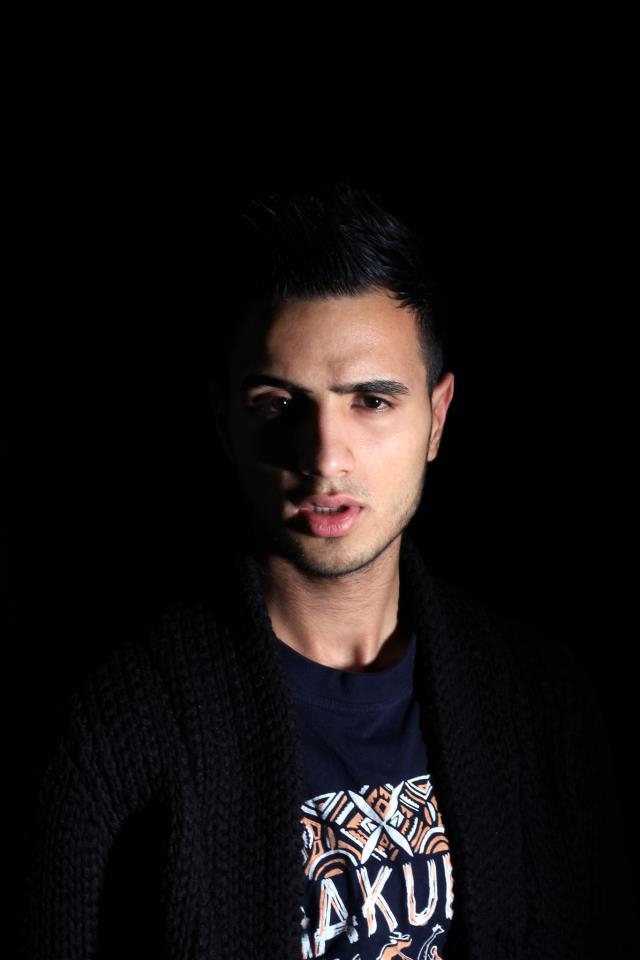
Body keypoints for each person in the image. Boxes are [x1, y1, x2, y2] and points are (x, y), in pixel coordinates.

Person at [26, 180, 619, 959]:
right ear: (225, 422)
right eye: (279, 404)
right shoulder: (117, 728)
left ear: (437, 417)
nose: (324, 457)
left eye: (371, 402)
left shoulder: (539, 700)